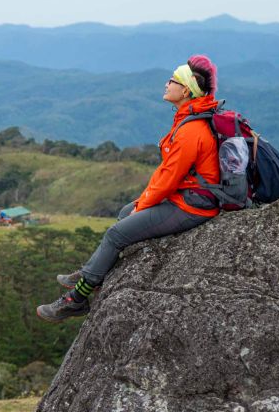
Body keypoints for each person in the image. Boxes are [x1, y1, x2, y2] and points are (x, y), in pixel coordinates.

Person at [36, 54, 221, 322]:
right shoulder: (189, 119)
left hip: (194, 205)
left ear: (185, 90)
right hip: (187, 196)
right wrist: (139, 204)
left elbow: (168, 179)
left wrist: (143, 205)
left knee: (116, 235)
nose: (166, 84)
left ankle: (76, 299)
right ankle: (93, 270)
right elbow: (167, 175)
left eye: (172, 80)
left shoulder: (191, 130)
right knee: (126, 211)